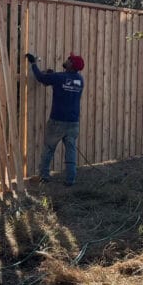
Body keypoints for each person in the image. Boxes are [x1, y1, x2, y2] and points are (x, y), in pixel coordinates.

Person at [25, 51, 85, 186]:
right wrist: (52, 75)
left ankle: (44, 176)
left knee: (48, 148)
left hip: (57, 121)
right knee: (71, 150)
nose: (67, 60)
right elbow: (63, 81)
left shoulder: (59, 78)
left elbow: (41, 78)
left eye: (69, 60)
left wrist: (33, 63)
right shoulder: (80, 80)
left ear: (71, 65)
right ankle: (70, 179)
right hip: (73, 123)